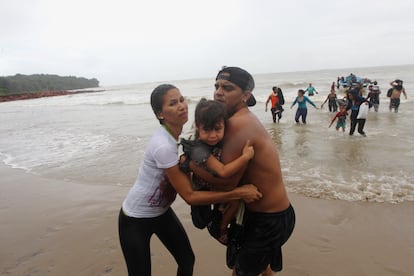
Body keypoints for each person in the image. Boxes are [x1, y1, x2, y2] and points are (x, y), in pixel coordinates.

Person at [118, 84, 262, 276]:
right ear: (160, 114)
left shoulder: (177, 140)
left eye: (182, 99)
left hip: (161, 213)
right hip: (136, 219)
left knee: (187, 260)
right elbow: (190, 196)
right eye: (173, 103)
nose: (182, 106)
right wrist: (238, 192)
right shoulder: (163, 145)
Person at [190, 67, 295, 276]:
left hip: (268, 220)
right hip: (262, 215)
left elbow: (226, 182)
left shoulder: (238, 124)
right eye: (217, 86)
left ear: (245, 96)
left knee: (241, 272)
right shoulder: (231, 120)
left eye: (227, 88)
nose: (218, 92)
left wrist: (189, 168)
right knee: (255, 266)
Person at [180, 98, 254, 245]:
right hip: (203, 188)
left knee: (232, 203)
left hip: (212, 183)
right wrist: (246, 157)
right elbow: (223, 171)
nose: (213, 135)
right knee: (202, 219)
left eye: (218, 129)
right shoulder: (198, 149)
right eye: (207, 130)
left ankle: (220, 224)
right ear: (197, 127)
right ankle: (219, 228)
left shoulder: (218, 141)